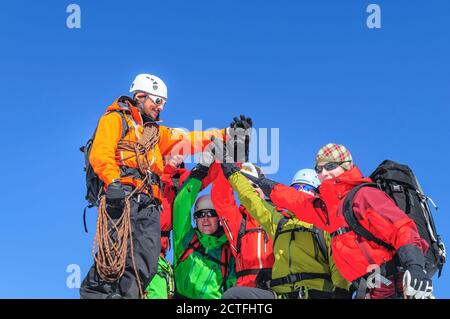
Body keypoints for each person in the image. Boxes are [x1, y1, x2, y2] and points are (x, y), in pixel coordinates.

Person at [80, 73, 249, 299]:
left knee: (144, 264)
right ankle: (95, 294)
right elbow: (102, 153)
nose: (161, 107)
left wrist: (227, 135)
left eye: (164, 103)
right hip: (124, 196)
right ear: (140, 96)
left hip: (148, 205)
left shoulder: (157, 135)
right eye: (158, 101)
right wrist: (113, 183)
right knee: (115, 255)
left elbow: (189, 140)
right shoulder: (116, 119)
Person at [241, 143, 432, 299]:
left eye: (331, 166)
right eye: (319, 168)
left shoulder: (363, 195)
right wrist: (263, 183)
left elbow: (401, 227)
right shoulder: (330, 210)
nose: (324, 173)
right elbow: (297, 202)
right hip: (372, 287)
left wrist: (414, 266)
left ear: (347, 165)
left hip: (398, 286)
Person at [220, 165, 350, 299]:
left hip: (314, 293)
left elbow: (339, 263)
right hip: (281, 295)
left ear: (317, 195)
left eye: (306, 189)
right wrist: (233, 174)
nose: (300, 193)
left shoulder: (325, 226)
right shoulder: (281, 223)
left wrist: (341, 290)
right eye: (296, 189)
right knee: (232, 296)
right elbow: (252, 201)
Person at [172, 158, 236, 299]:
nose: (205, 218)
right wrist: (199, 173)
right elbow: (180, 205)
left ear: (219, 219)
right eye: (200, 215)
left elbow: (233, 285)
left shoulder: (227, 250)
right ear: (195, 219)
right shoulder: (185, 238)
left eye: (211, 214)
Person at [210, 162, 274, 288]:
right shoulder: (239, 221)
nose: (251, 192)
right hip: (245, 289)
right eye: (246, 187)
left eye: (255, 186)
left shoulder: (277, 217)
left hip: (274, 289)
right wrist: (232, 165)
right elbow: (221, 197)